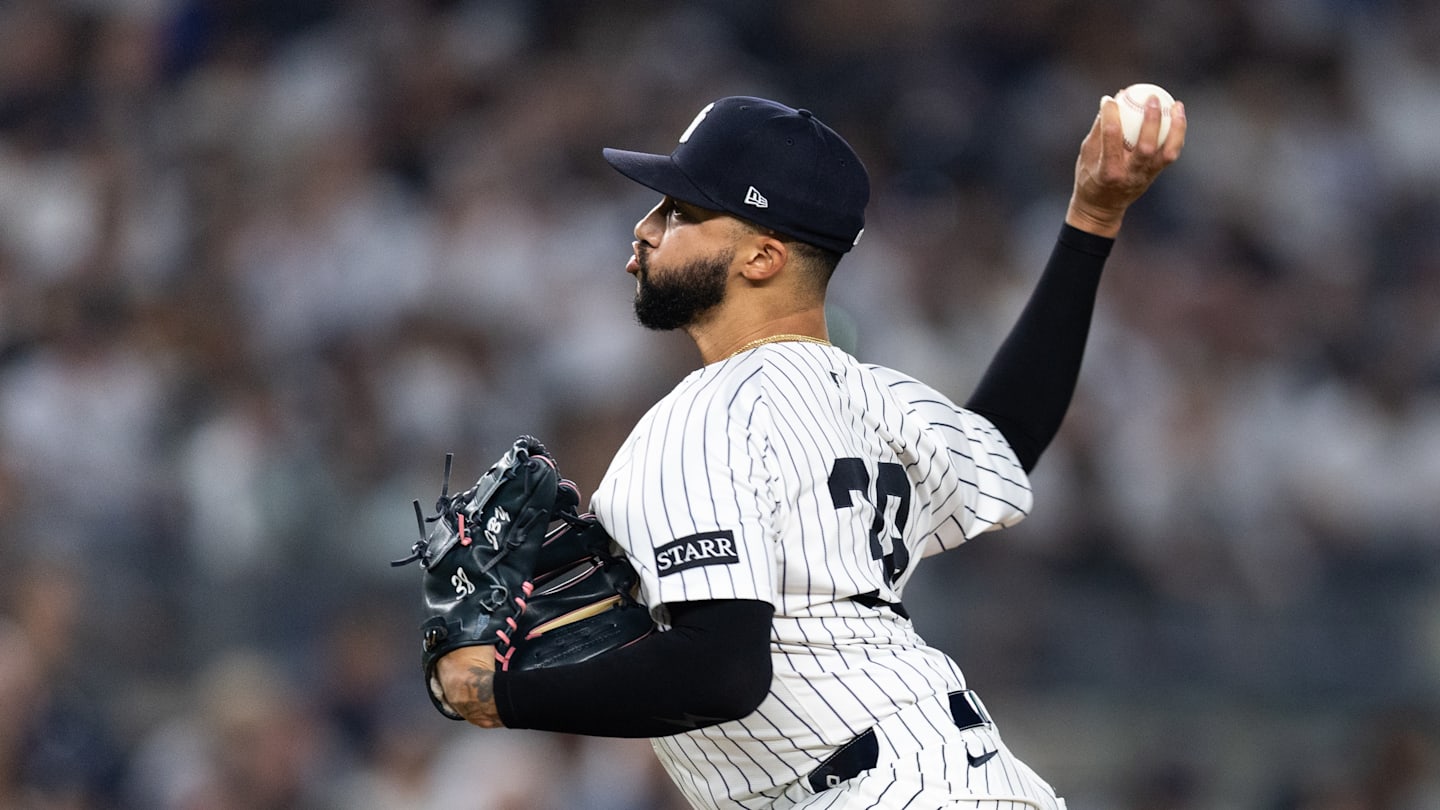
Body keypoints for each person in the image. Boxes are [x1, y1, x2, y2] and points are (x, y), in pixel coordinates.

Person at [433, 93, 1185, 809]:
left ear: (762, 258)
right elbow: (1005, 443)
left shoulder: (707, 416)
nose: (645, 227)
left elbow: (722, 671)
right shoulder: (877, 399)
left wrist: (497, 696)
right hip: (965, 779)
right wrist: (1092, 218)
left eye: (682, 211)